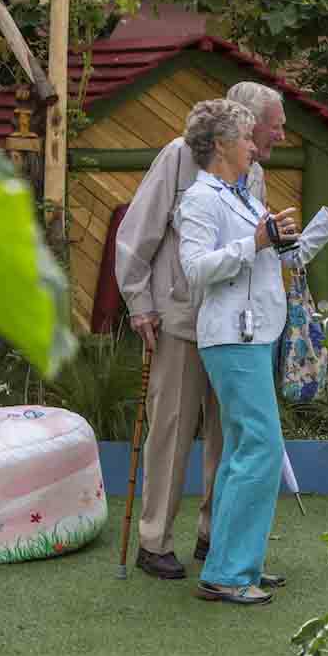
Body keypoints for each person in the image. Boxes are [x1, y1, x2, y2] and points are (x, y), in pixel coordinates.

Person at [176, 99, 328, 605]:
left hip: (254, 335)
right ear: (223, 144)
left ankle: (233, 562)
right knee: (262, 449)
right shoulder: (202, 199)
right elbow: (195, 269)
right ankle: (229, 572)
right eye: (248, 138)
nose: (256, 145)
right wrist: (253, 242)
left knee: (241, 451)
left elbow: (289, 255)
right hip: (232, 337)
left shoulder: (243, 196)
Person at [114, 83, 287, 580]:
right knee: (169, 427)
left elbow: (253, 245)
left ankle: (217, 538)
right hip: (178, 320)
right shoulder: (177, 157)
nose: (276, 135)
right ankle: (154, 540)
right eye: (272, 125)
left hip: (233, 327)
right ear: (242, 126)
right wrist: (139, 304)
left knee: (226, 437)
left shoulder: (254, 172)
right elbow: (138, 233)